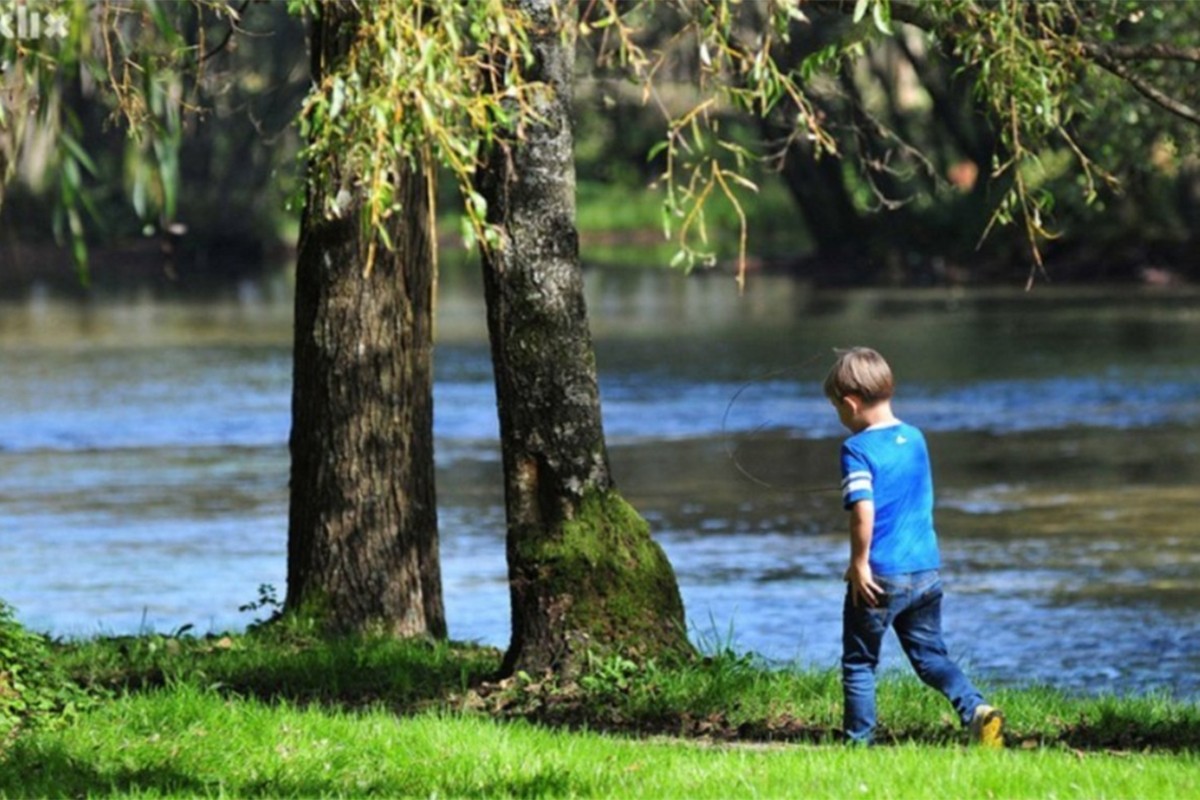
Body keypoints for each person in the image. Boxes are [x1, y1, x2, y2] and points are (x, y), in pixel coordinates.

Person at [823, 347, 1003, 747]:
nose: (839, 417)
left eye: (837, 408)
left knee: (859, 663)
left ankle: (859, 744)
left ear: (851, 403)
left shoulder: (856, 449)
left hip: (880, 575)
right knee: (931, 657)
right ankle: (976, 709)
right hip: (925, 570)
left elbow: (863, 512)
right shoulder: (916, 438)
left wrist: (858, 563)